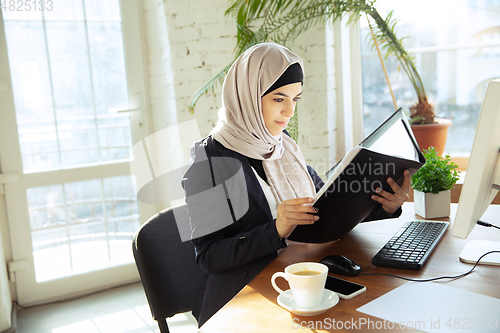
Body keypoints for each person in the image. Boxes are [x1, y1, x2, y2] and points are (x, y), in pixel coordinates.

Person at [181, 43, 410, 327]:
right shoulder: (207, 165)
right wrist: (276, 229)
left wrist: (384, 205)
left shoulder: (281, 144)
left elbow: (322, 203)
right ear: (248, 96)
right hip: (244, 297)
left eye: (295, 99)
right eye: (279, 99)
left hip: (298, 278)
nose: (289, 111)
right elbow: (208, 257)